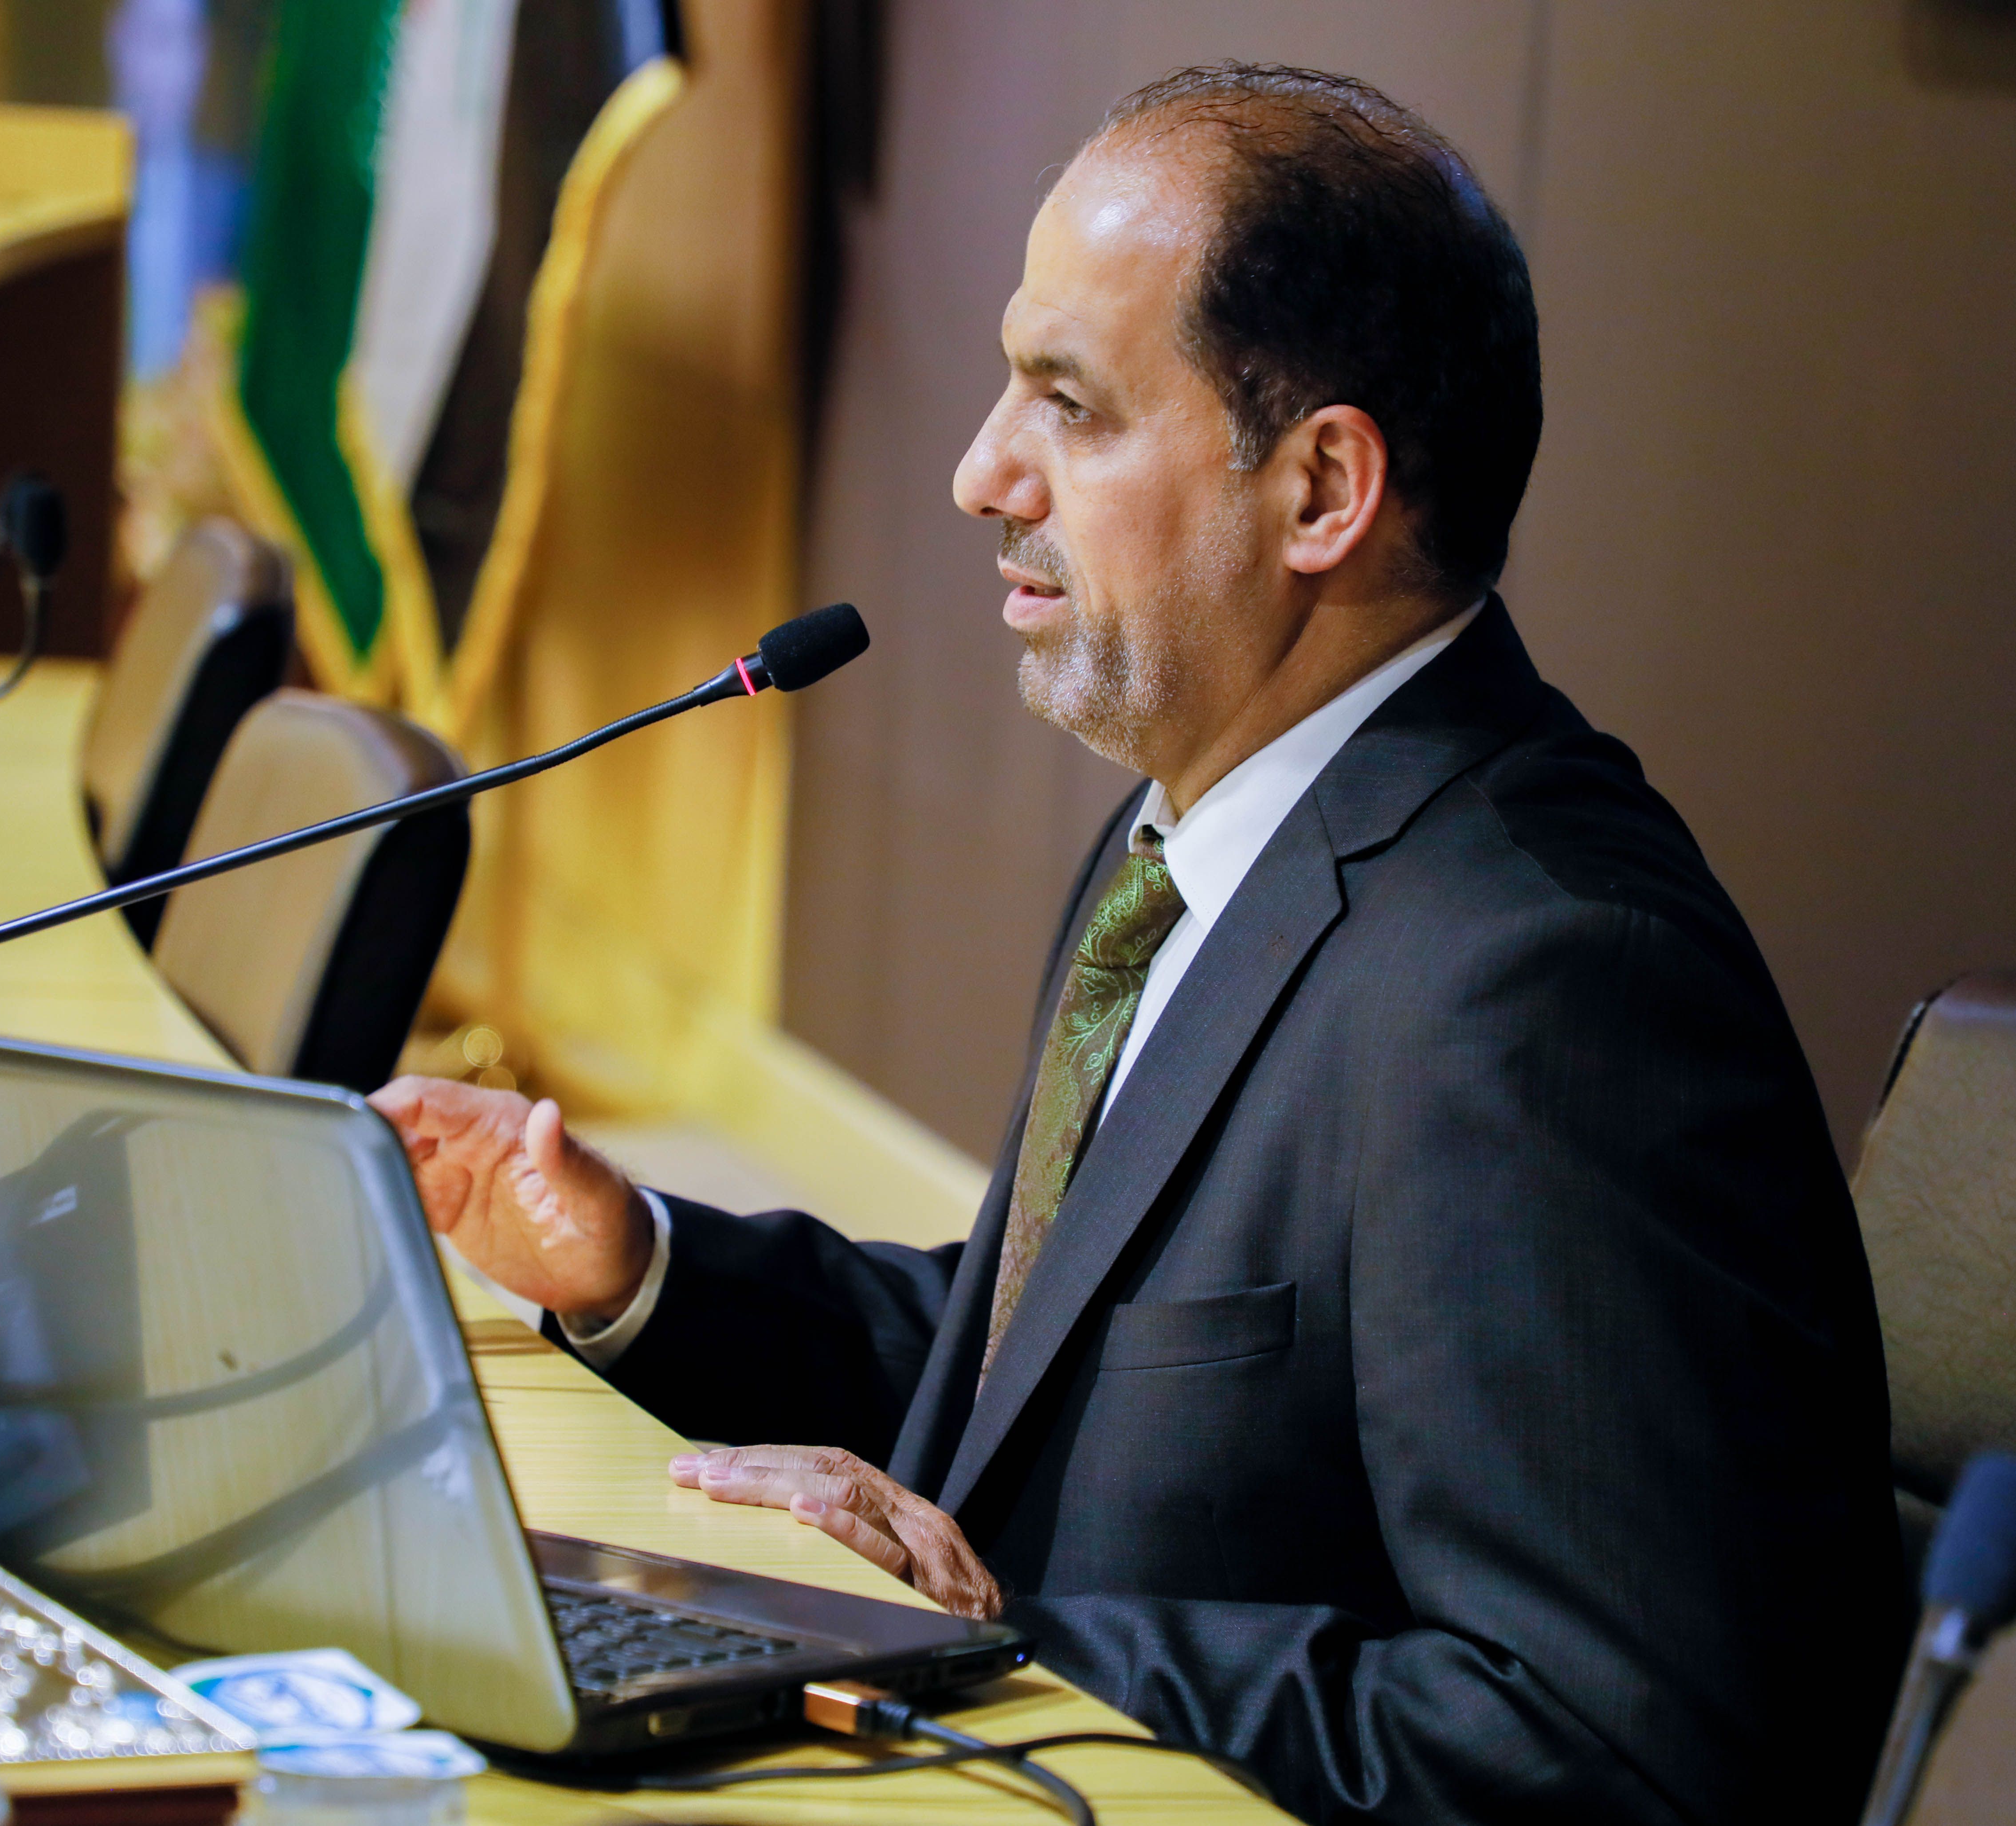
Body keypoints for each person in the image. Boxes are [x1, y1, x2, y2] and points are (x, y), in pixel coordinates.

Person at [374, 63, 1900, 1825]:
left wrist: (1002, 1640)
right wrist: (640, 1266)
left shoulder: (1547, 985)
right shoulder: (1194, 831)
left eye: (1069, 406)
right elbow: (1048, 1376)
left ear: (1320, 489)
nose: (978, 472)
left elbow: (1614, 1746)